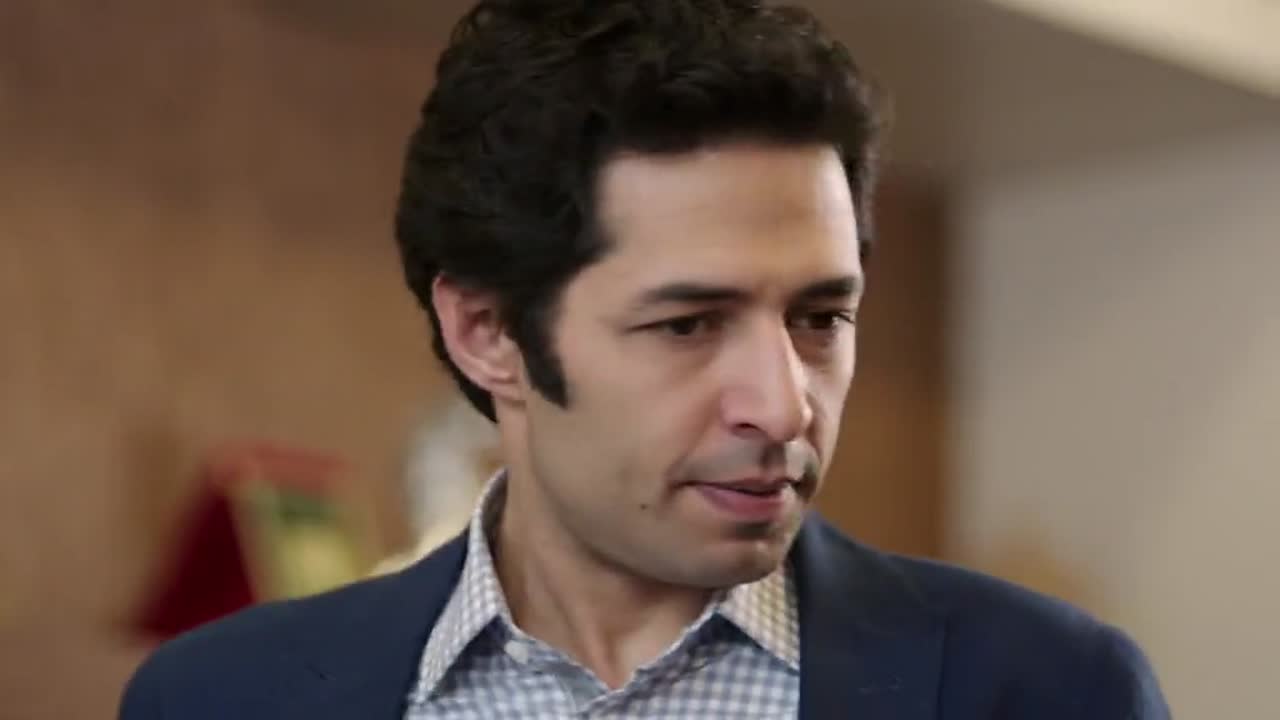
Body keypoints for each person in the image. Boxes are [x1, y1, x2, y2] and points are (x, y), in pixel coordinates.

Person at [120, 1, 1170, 718]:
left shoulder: (1050, 691)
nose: (782, 407)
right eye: (689, 324)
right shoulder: (220, 700)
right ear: (488, 333)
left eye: (819, 317)